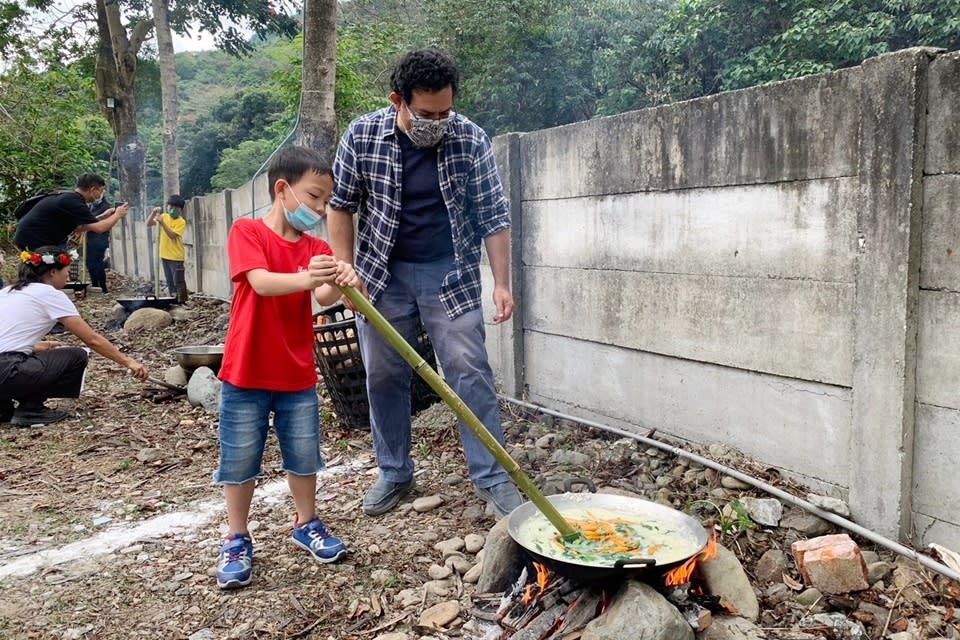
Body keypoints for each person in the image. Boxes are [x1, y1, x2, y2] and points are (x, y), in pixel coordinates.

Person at [327, 48, 523, 519]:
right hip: (381, 273)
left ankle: (492, 475)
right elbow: (340, 205)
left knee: (468, 369)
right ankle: (394, 471)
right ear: (399, 100)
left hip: (448, 273)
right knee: (383, 373)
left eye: (445, 111)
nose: (439, 122)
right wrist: (344, 268)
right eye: (426, 114)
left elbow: (493, 217)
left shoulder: (469, 138)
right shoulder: (362, 135)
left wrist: (501, 283)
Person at [213, 146, 361, 590]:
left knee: (304, 455)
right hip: (246, 370)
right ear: (283, 189)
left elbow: (324, 299)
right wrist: (311, 277)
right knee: (239, 458)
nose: (318, 209)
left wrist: (341, 279)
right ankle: (237, 537)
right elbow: (260, 282)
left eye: (324, 202)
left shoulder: (316, 247)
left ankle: (306, 522)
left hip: (296, 371)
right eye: (313, 197)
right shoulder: (247, 232)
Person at [0, 246, 149, 426]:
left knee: (31, 356)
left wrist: (37, 346)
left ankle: (3, 408)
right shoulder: (50, 294)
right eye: (67, 272)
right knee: (77, 355)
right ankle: (31, 409)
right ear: (53, 272)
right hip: (7, 370)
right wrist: (128, 362)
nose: (68, 277)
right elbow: (91, 339)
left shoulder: (7, 292)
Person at [14, 174, 129, 251]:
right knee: (51, 271)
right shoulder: (74, 202)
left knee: (55, 269)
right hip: (35, 239)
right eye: (101, 191)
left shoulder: (71, 198)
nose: (100, 195)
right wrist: (118, 215)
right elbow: (99, 229)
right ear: (93, 189)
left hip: (27, 236)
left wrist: (104, 216)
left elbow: (80, 227)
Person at [147, 195, 187, 297]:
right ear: (167, 206)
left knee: (178, 281)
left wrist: (162, 223)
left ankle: (181, 300)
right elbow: (149, 223)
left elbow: (172, 236)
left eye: (176, 208)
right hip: (164, 255)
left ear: (181, 210)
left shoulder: (181, 222)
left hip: (176, 257)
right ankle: (172, 298)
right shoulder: (164, 216)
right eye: (171, 207)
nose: (173, 210)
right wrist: (153, 213)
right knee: (169, 281)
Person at [85, 196, 113, 293]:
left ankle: (102, 287)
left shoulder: (105, 207)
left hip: (99, 239)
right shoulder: (91, 206)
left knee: (97, 264)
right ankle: (95, 284)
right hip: (90, 239)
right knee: (90, 263)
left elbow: (95, 220)